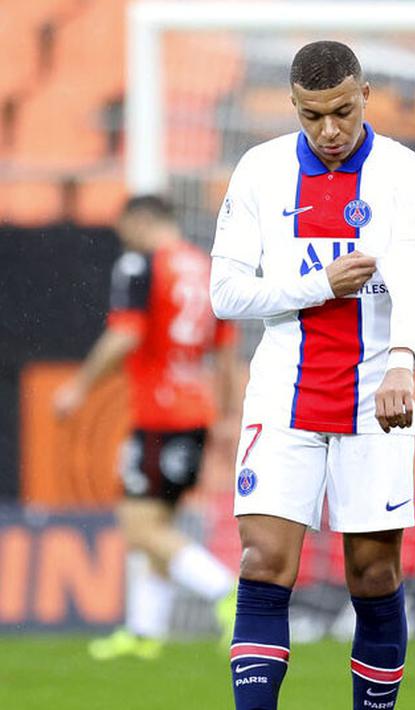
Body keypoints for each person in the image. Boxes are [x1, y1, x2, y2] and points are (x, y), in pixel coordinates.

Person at [208, 41, 415, 710]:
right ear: (294, 107)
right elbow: (225, 294)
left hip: (376, 395)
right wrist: (317, 285)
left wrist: (402, 364)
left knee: (372, 573)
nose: (330, 130)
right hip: (284, 389)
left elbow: (413, 281)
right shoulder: (259, 171)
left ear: (366, 95)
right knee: (263, 564)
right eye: (313, 116)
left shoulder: (409, 175)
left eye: (342, 111)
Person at [54, 195, 241, 660]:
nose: (125, 242)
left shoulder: (141, 265)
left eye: (125, 231)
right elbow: (226, 352)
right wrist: (228, 414)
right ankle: (144, 631)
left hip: (160, 413)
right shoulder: (202, 266)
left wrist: (79, 387)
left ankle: (230, 593)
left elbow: (126, 333)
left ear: (140, 223)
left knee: (138, 528)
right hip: (195, 410)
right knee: (160, 523)